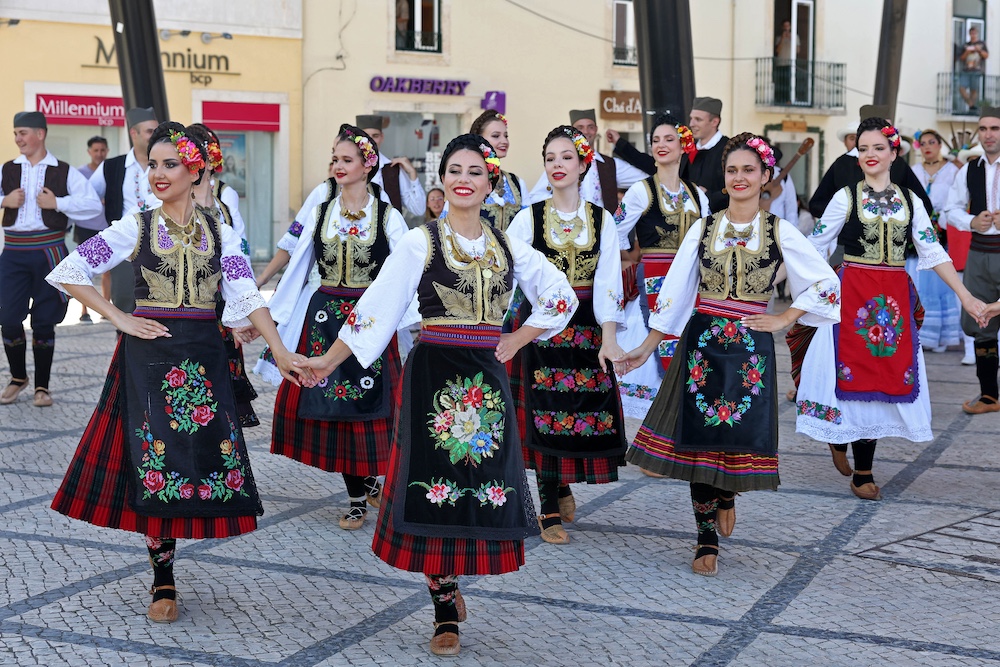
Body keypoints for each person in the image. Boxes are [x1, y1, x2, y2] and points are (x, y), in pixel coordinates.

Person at [295, 134, 576, 656]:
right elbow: (376, 307)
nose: (463, 179)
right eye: (454, 170)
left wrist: (517, 337)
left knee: (481, 478)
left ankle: (455, 578)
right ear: (442, 181)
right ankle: (443, 601)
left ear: (490, 181)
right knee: (430, 483)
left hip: (486, 377)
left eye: (474, 171)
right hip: (434, 373)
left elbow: (560, 295)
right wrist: (327, 362)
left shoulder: (508, 245)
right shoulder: (419, 241)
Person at [46, 121, 309, 623]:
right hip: (148, 359)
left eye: (170, 164)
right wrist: (122, 319)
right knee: (153, 459)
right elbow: (67, 270)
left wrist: (279, 349)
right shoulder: (136, 226)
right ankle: (162, 576)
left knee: (194, 458)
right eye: (153, 164)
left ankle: (170, 563)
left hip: (205, 357)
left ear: (196, 170)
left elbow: (246, 295)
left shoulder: (221, 231)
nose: (158, 173)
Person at [617, 132, 840, 577]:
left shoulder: (780, 231)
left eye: (748, 170)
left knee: (736, 437)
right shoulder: (704, 226)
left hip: (750, 349)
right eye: (732, 170)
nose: (739, 178)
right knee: (700, 440)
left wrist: (782, 318)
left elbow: (824, 283)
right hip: (701, 344)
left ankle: (727, 494)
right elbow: (676, 292)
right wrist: (645, 347)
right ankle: (705, 539)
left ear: (765, 177)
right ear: (724, 177)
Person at [798, 119, 987, 499]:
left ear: (893, 153)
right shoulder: (845, 197)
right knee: (851, 374)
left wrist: (966, 296)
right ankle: (842, 439)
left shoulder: (910, 200)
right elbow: (815, 245)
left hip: (893, 302)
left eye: (878, 148)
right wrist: (820, 287)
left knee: (883, 378)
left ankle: (862, 470)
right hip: (852, 297)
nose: (870, 155)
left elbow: (933, 252)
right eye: (863, 149)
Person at [265, 124, 409, 530]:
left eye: (346, 160)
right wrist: (272, 316)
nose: (337, 166)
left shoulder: (388, 216)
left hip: (370, 321)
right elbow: (298, 268)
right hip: (326, 319)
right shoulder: (321, 211)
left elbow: (404, 270)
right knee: (334, 408)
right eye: (334, 158)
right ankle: (356, 496)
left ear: (368, 165)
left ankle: (368, 481)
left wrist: (414, 319)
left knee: (371, 407)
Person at [506, 125, 626, 545]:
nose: (557, 165)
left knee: (575, 415)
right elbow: (510, 276)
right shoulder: (528, 218)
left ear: (582, 164)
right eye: (550, 159)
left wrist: (609, 338)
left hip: (586, 327)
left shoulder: (601, 220)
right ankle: (549, 510)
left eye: (566, 158)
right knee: (541, 413)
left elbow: (609, 282)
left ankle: (560, 483)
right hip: (541, 326)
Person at [0, 111, 102, 407]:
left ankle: (42, 387)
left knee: (45, 322)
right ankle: (18, 377)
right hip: (14, 251)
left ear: (40, 134)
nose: (17, 138)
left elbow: (92, 205)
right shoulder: (8, 168)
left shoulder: (64, 170)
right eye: (16, 133)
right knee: (7, 318)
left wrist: (57, 202)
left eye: (22, 132)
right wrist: (4, 201)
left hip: (49, 250)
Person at [613, 113, 709, 419]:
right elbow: (613, 232)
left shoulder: (697, 195)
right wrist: (627, 257)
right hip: (656, 275)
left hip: (692, 279)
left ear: (684, 146)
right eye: (656, 140)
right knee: (660, 341)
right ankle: (658, 435)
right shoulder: (642, 190)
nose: (661, 145)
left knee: (690, 344)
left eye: (669, 139)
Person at [944, 107, 1000, 413]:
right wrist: (970, 221)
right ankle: (990, 395)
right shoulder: (969, 169)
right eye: (984, 129)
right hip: (979, 253)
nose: (988, 134)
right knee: (981, 322)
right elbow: (948, 209)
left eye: (995, 128)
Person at [88, 107, 160, 315]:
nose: (154, 136)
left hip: (163, 246)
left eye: (156, 130)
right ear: (133, 133)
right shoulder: (112, 166)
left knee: (160, 306)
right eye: (149, 131)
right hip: (125, 248)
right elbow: (88, 199)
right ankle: (125, 348)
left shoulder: (167, 165)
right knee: (124, 305)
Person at [610, 97, 730, 212]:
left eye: (698, 119)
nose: (692, 123)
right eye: (691, 118)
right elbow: (653, 164)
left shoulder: (728, 150)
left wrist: (706, 196)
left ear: (714, 121)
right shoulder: (689, 149)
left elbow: (734, 189)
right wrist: (621, 144)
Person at [526, 109, 647, 213]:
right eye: (580, 127)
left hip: (601, 233)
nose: (586, 131)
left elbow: (647, 178)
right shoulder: (560, 165)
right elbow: (535, 197)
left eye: (590, 127)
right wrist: (559, 206)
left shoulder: (610, 165)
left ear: (596, 130)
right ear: (573, 131)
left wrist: (621, 145)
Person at [912, 129, 962, 354]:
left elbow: (958, 199)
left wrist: (942, 219)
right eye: (923, 143)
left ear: (940, 145)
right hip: (917, 233)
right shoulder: (913, 170)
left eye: (932, 142)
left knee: (941, 283)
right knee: (919, 282)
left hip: (942, 231)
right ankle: (922, 334)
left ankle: (941, 336)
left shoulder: (953, 171)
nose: (928, 147)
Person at [356, 114, 426, 218]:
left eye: (375, 136)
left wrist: (412, 173)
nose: (370, 141)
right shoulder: (350, 168)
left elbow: (418, 209)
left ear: (382, 137)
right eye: (366, 136)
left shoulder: (392, 169)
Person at [469, 109, 528, 231]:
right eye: (496, 136)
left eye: (506, 136)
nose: (504, 141)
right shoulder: (466, 181)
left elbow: (528, 228)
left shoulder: (517, 183)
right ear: (479, 140)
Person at [75, 135, 110, 322]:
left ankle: (105, 309)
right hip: (85, 226)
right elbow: (77, 198)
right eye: (96, 150)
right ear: (89, 152)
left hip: (106, 226)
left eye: (102, 150)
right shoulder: (80, 174)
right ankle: (84, 311)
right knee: (84, 269)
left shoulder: (111, 171)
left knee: (108, 270)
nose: (99, 154)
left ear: (107, 151)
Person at [959, 26, 989, 112]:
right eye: (972, 33)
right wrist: (967, 51)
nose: (973, 35)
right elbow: (962, 58)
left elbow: (986, 55)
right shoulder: (966, 45)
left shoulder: (982, 44)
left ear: (977, 34)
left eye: (974, 33)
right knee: (962, 88)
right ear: (969, 34)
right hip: (966, 70)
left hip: (976, 70)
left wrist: (978, 50)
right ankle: (971, 104)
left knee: (974, 90)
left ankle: (972, 108)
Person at [774, 20, 800, 104]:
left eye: (788, 26)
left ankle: (790, 99)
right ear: (782, 27)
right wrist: (782, 38)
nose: (786, 28)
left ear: (791, 27)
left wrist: (791, 39)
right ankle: (781, 99)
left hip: (790, 64)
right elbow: (777, 51)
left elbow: (798, 51)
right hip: (781, 63)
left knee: (789, 82)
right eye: (785, 26)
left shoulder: (795, 37)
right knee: (781, 82)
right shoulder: (778, 38)